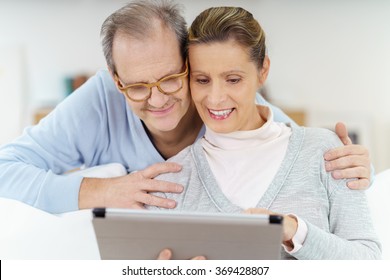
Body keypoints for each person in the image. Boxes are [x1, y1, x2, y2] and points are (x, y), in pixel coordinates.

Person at [0, 0, 371, 214]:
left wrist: (348, 169)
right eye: (137, 88)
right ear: (116, 82)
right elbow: (5, 170)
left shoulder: (222, 103)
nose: (158, 99)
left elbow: (294, 150)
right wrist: (101, 191)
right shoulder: (99, 100)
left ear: (190, 63)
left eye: (171, 79)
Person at [147, 6, 381, 260]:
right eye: (202, 80)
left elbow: (368, 262)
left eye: (233, 79)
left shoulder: (324, 152)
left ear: (263, 71)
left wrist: (293, 230)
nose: (215, 98)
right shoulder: (171, 182)